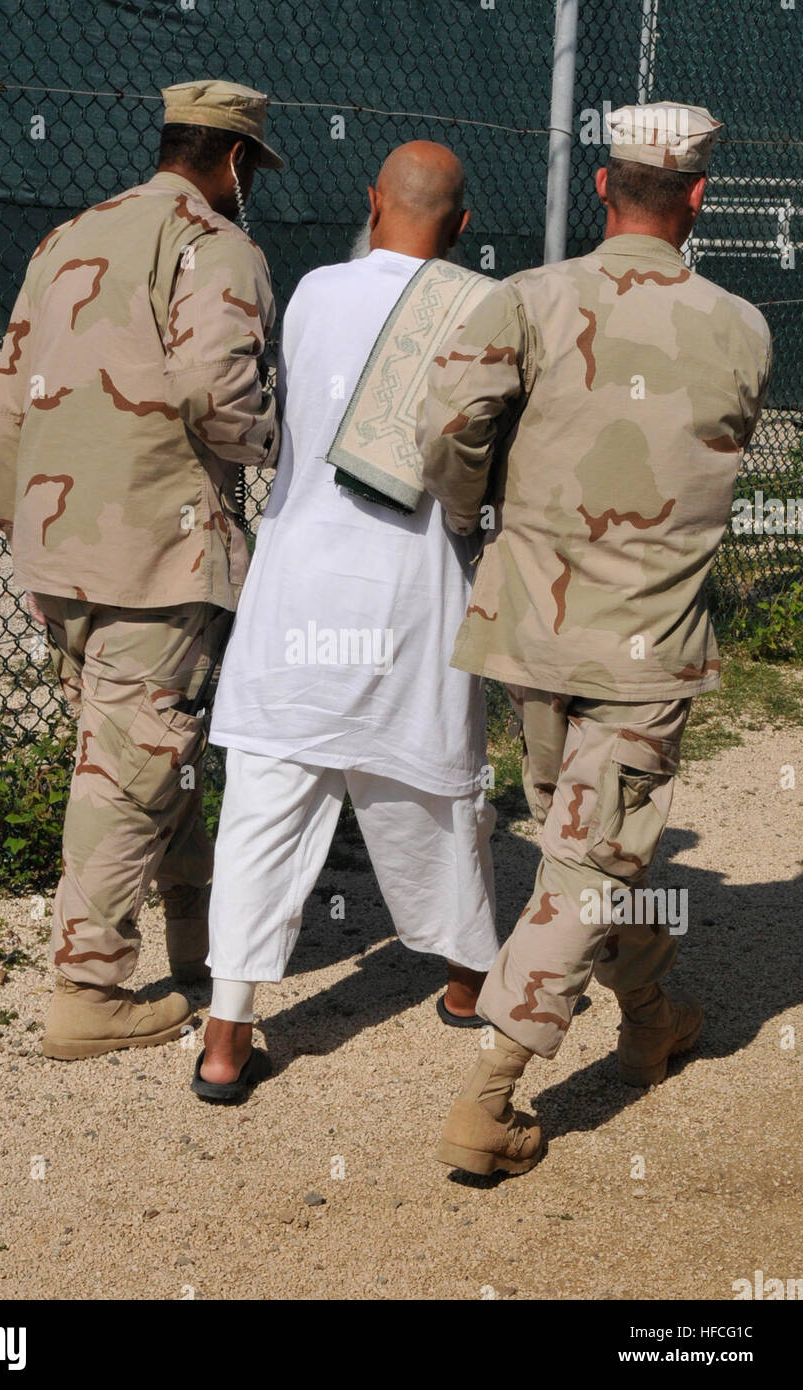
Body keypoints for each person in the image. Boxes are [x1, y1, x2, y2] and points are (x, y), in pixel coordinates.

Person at [417, 102, 772, 1175]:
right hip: (645, 642)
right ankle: (487, 1102)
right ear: (698, 198)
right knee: (589, 861)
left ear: (605, 186)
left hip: (531, 628)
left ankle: (651, 1014)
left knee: (586, 853)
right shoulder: (741, 325)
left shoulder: (522, 298)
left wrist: (473, 513)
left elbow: (450, 429)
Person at [0, 79, 282, 1059]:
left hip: (57, 544)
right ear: (233, 160)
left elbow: (4, 405)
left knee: (151, 745)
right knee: (131, 760)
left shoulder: (65, 237)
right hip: (159, 545)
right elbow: (213, 390)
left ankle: (195, 938)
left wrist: (19, 521)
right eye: (251, 172)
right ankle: (87, 987)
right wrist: (282, 440)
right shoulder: (216, 244)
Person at [191, 141, 500, 1102]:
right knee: (437, 792)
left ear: (371, 203)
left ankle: (225, 1041)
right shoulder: (486, 306)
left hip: (300, 584)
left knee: (262, 812)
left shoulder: (316, 291)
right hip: (412, 590)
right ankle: (465, 980)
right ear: (462, 227)